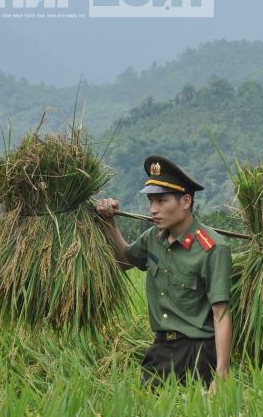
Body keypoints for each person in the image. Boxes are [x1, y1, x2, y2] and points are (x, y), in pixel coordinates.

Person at [95, 155, 233, 391]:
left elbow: (221, 314)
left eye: (161, 200)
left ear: (186, 201)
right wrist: (109, 224)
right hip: (160, 350)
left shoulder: (212, 247)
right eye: (150, 201)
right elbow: (125, 261)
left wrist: (221, 374)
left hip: (197, 352)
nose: (153, 210)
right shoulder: (153, 238)